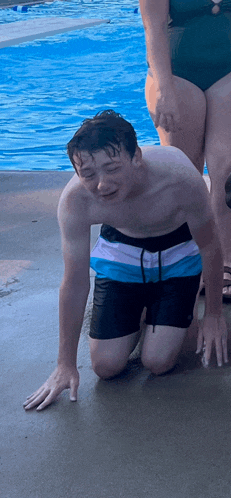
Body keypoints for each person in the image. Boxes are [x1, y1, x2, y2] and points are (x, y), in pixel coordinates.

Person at [23, 110, 228, 411]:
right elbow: (75, 281)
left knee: (158, 361)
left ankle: (176, 313)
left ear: (137, 158)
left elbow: (210, 247)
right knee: (106, 367)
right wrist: (65, 364)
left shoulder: (179, 179)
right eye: (89, 174)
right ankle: (147, 312)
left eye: (112, 168)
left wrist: (213, 316)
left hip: (177, 254)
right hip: (122, 254)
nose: (102, 185)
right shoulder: (75, 201)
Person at [139, 0, 231, 298]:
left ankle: (226, 260)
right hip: (177, 75)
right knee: (185, 173)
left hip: (228, 74)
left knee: (227, 171)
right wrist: (164, 89)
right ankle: (189, 259)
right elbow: (153, 28)